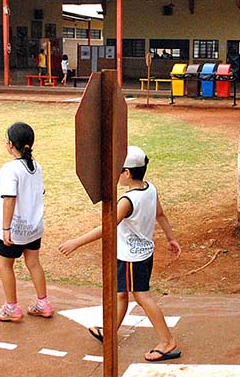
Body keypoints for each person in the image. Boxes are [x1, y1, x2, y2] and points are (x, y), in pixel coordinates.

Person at [59, 146, 182, 362]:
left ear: (127, 173)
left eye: (118, 169)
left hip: (131, 258)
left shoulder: (128, 201)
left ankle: (167, 341)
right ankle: (109, 331)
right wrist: (171, 238)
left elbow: (107, 227)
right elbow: (160, 214)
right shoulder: (150, 189)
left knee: (142, 297)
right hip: (143, 253)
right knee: (121, 294)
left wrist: (76, 242)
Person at [0, 122, 53, 322]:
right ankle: (43, 303)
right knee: (34, 263)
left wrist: (6, 228)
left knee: (5, 265)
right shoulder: (37, 166)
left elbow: (9, 198)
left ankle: (11, 307)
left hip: (15, 228)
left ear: (10, 144)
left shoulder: (9, 169)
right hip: (34, 227)